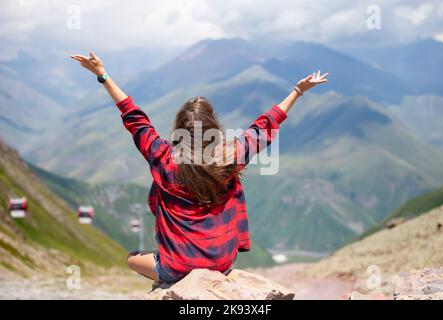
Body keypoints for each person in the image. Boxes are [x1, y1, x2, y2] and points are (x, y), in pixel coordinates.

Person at [71, 51, 328, 283]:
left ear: (179, 128)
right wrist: (298, 90)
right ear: (213, 126)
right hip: (222, 264)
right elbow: (265, 126)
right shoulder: (231, 157)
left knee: (132, 258)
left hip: (175, 268)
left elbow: (134, 118)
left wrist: (103, 75)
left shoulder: (162, 157)